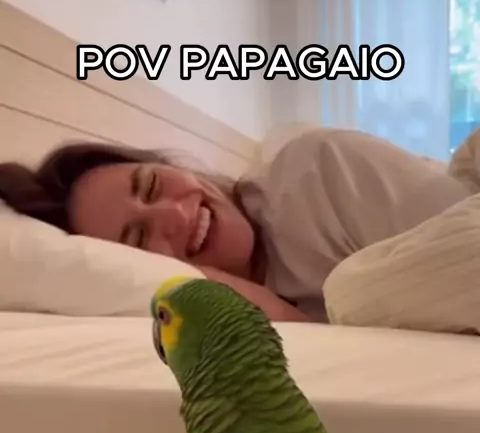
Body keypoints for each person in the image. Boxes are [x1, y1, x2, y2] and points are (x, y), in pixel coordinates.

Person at [0, 128, 471, 322]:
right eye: (139, 240)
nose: (176, 215)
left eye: (153, 185)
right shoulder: (199, 317)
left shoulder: (320, 171)